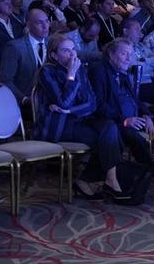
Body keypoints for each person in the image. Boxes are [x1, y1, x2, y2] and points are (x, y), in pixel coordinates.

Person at [89, 38, 154, 198]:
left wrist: (147, 115)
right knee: (134, 136)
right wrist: (125, 120)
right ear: (111, 53)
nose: (128, 58)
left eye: (130, 54)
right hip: (114, 122)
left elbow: (134, 99)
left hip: (134, 117)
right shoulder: (99, 70)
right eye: (124, 53)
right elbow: (98, 104)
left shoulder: (121, 70)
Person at [34, 32, 125, 201]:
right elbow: (64, 102)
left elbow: (92, 102)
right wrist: (71, 76)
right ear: (54, 55)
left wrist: (71, 111)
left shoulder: (80, 69)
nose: (72, 54)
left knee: (111, 128)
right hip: (58, 126)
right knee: (107, 138)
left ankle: (97, 180)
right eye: (65, 51)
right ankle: (98, 180)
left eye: (73, 50)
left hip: (78, 119)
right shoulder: (47, 72)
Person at [0, 7, 49, 105]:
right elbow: (5, 80)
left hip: (49, 99)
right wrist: (24, 99)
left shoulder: (52, 43)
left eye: (47, 21)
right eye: (39, 23)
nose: (45, 26)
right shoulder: (15, 47)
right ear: (29, 25)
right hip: (25, 102)